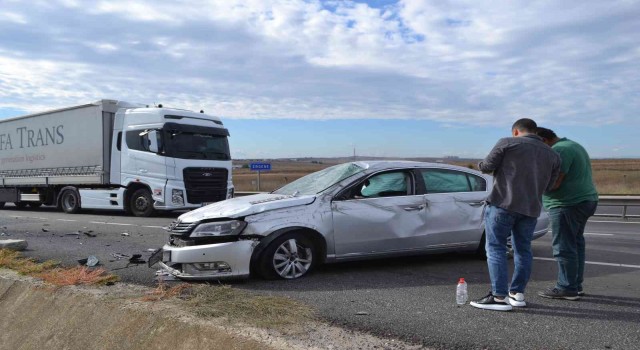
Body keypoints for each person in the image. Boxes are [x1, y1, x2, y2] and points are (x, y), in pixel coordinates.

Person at [470, 118, 561, 311]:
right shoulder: (553, 154)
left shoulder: (507, 143)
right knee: (523, 250)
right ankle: (517, 294)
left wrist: (478, 164)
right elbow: (550, 186)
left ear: (516, 132)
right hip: (530, 209)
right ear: (535, 132)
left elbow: (486, 166)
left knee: (495, 249)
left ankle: (498, 297)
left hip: (503, 204)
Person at [536, 127, 599, 300]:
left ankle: (566, 287)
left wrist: (533, 187)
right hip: (583, 201)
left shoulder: (559, 150)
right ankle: (575, 285)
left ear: (543, 140)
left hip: (567, 204)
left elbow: (555, 182)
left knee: (564, 247)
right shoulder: (572, 145)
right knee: (575, 244)